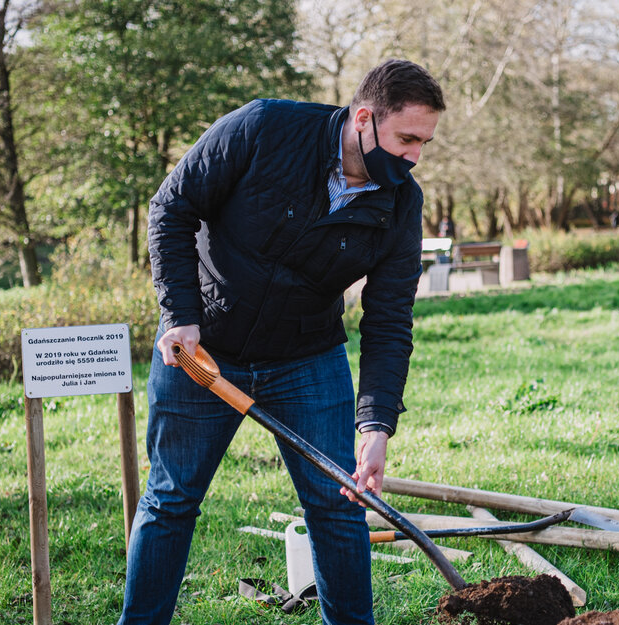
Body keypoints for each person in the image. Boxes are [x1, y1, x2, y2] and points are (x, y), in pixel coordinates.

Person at [120, 59, 445, 625]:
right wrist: (180, 314)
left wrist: (375, 424)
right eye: (407, 138)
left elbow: (390, 318)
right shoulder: (264, 129)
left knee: (339, 507)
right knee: (171, 500)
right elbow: (171, 207)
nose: (416, 155)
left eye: (425, 142)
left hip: (306, 359)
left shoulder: (401, 203)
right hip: (201, 351)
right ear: (364, 118)